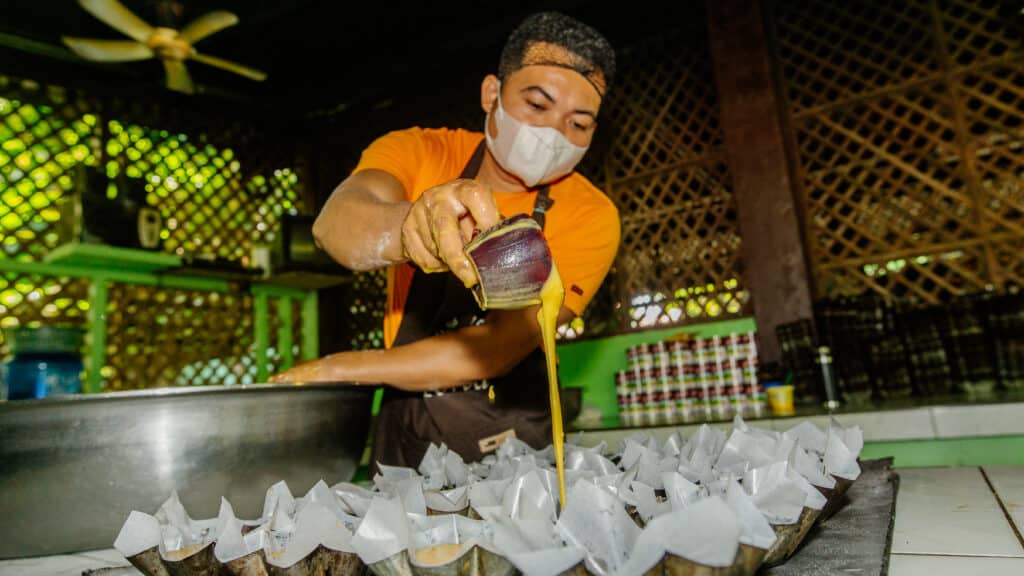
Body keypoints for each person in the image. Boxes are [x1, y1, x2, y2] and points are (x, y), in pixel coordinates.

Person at [270, 11, 620, 470]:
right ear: (492, 93)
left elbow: (498, 347)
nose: (554, 135)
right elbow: (336, 227)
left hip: (512, 436)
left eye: (578, 124)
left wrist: (337, 369)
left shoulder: (590, 215)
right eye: (537, 105)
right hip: (406, 427)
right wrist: (413, 226)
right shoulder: (422, 152)